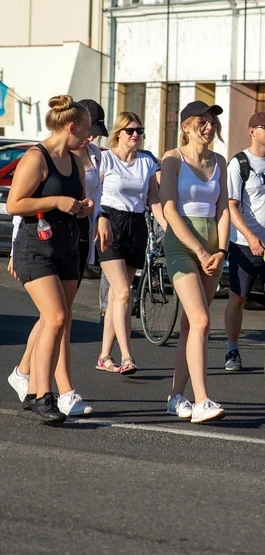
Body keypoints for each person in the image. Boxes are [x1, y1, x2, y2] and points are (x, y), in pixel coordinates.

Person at [6, 99, 108, 417]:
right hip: (35, 248)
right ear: (71, 127)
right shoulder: (36, 158)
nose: (90, 136)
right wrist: (56, 200)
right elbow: (14, 204)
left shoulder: (75, 160)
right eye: (88, 128)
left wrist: (83, 206)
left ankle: (32, 385)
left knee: (58, 319)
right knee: (56, 318)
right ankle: (44, 395)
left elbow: (75, 199)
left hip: (67, 246)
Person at [159, 100, 230, 423]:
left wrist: (221, 251)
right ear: (186, 126)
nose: (209, 126)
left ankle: (176, 396)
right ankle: (201, 400)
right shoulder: (173, 160)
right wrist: (200, 252)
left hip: (213, 248)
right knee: (201, 321)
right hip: (182, 246)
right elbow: (170, 209)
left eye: (212, 121)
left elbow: (224, 210)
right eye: (202, 121)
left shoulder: (220, 161)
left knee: (191, 326)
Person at [94, 111, 165, 375]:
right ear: (118, 133)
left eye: (140, 130)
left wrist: (170, 228)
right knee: (124, 292)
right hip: (109, 224)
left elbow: (154, 201)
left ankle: (103, 356)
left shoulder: (146, 163)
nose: (136, 135)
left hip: (136, 226)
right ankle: (126, 356)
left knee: (116, 295)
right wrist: (99, 216)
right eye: (130, 131)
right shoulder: (105, 159)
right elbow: (93, 191)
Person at [223, 111, 265, 371]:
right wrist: (251, 237)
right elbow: (231, 206)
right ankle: (232, 350)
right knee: (239, 298)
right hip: (244, 243)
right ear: (252, 131)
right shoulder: (239, 163)